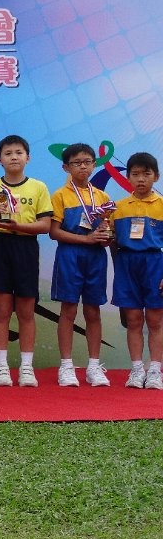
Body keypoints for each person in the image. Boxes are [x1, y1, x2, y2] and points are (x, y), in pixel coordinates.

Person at [0, 134, 52, 387]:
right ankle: (1, 367)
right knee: (1, 310)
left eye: (19, 152)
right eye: (8, 153)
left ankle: (26, 368)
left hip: (26, 248)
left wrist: (18, 226)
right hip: (0, 247)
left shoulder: (38, 187)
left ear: (28, 158)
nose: (14, 157)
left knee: (26, 310)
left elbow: (45, 225)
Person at [49, 143, 113, 387]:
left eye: (87, 162)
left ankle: (94, 366)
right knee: (68, 310)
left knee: (93, 311)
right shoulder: (60, 195)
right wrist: (86, 239)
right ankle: (66, 366)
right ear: (66, 167)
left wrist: (105, 236)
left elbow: (108, 234)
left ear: (94, 164)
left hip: (95, 257)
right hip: (70, 255)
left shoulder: (102, 197)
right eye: (77, 163)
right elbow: (54, 232)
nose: (83, 167)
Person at [110, 152, 163, 390]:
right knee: (133, 320)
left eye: (146, 174)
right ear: (128, 177)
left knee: (155, 321)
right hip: (126, 264)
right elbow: (110, 240)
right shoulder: (117, 207)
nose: (141, 179)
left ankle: (155, 371)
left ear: (156, 177)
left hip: (154, 264)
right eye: (135, 174)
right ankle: (136, 370)